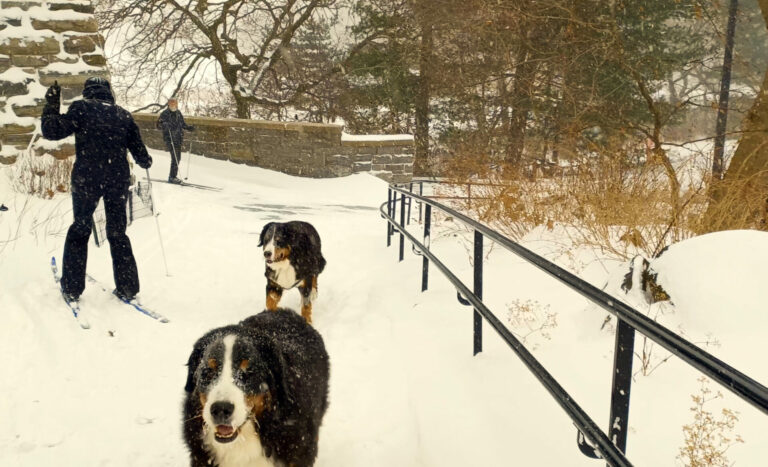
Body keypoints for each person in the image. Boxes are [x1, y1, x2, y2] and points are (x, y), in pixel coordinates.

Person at [42, 77, 153, 302]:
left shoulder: (81, 109)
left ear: (87, 92)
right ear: (108, 92)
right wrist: (145, 160)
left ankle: (72, 288)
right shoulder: (123, 115)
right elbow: (140, 153)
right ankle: (128, 287)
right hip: (117, 178)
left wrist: (52, 104)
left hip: (88, 178)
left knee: (81, 229)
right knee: (117, 232)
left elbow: (52, 130)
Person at [156, 97, 195, 184]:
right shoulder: (165, 113)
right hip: (169, 138)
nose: (173, 105)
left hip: (178, 138)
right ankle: (172, 177)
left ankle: (173, 176)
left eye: (175, 103)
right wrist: (164, 125)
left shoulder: (178, 113)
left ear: (177, 104)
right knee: (175, 158)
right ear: (168, 104)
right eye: (171, 103)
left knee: (178, 158)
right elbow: (158, 125)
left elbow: (182, 124)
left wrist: (189, 128)